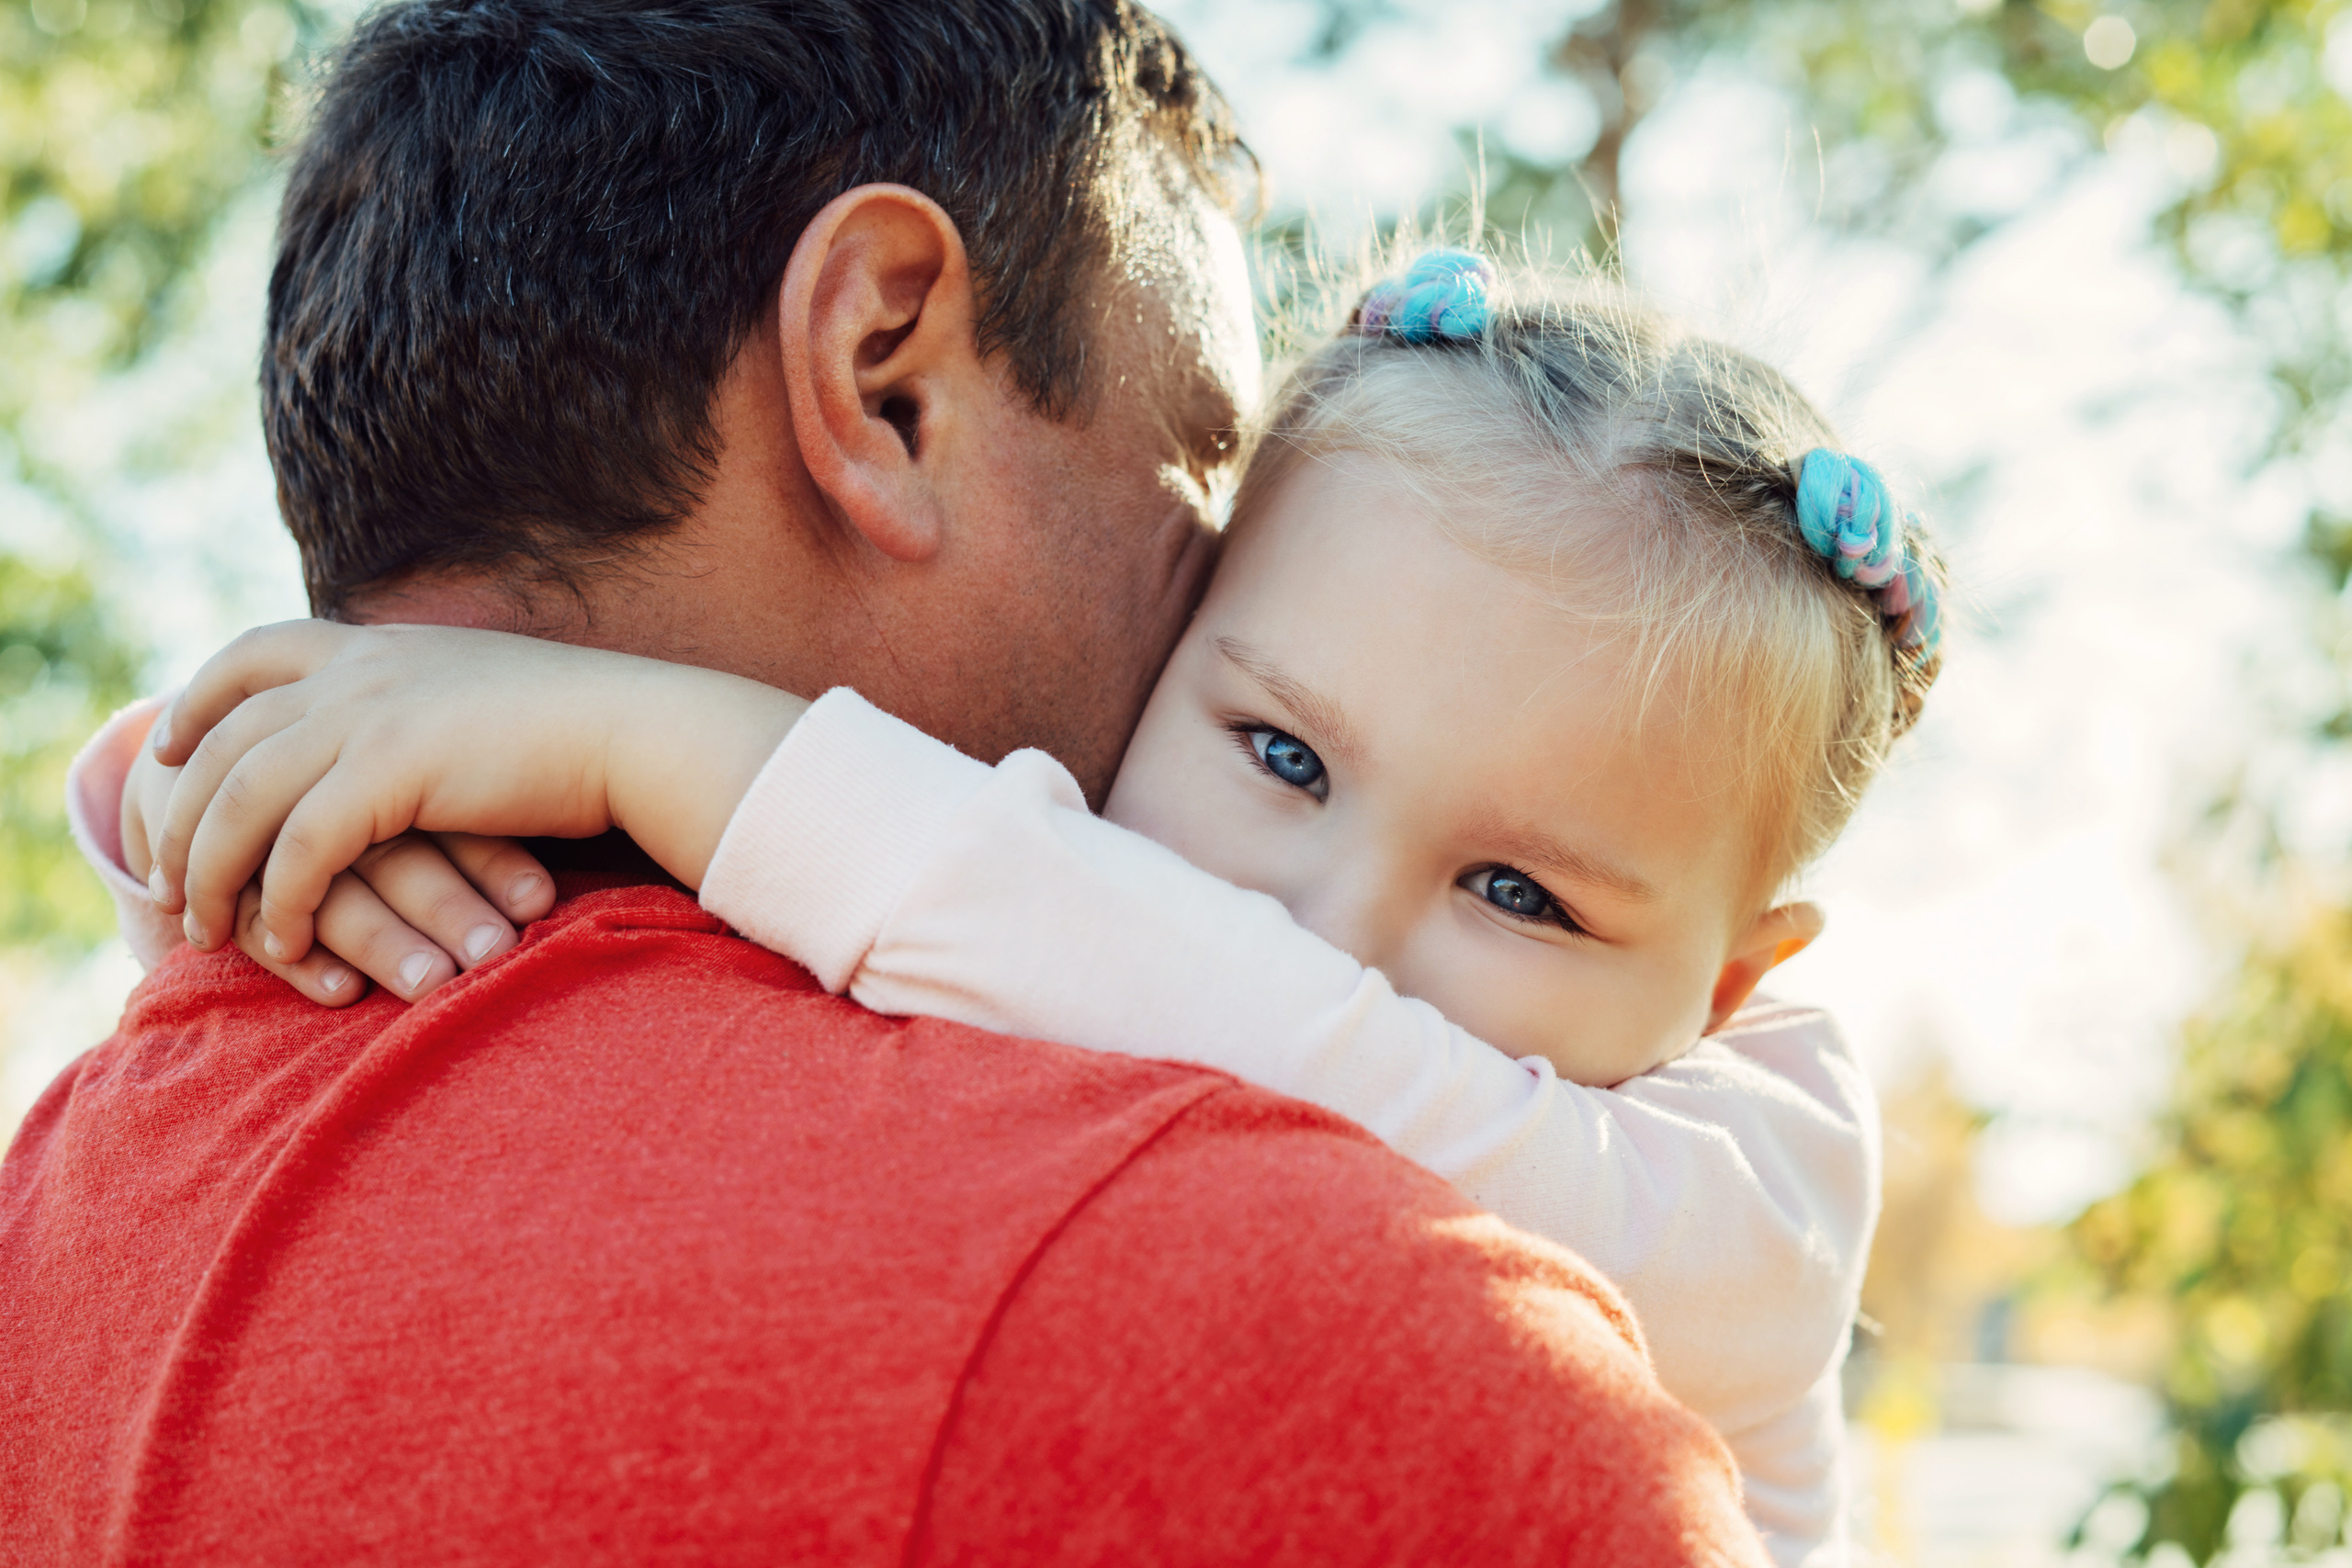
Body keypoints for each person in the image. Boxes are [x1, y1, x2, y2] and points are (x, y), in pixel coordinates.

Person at [0, 4, 1770, 1564]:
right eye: (1203, 460)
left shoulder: (57, 1217)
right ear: (884, 375)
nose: (1231, 578)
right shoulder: (1377, 1350)